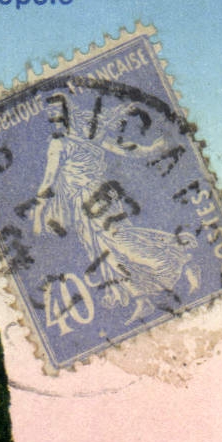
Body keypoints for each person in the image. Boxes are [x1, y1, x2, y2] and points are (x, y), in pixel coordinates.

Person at [29, 93, 200, 322]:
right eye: (50, 113)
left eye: (57, 111)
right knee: (106, 253)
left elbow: (123, 149)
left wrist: (152, 149)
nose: (54, 117)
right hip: (83, 205)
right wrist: (39, 213)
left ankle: (181, 258)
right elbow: (49, 181)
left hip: (97, 198)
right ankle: (141, 298)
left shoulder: (77, 138)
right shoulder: (61, 142)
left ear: (68, 111)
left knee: (121, 242)